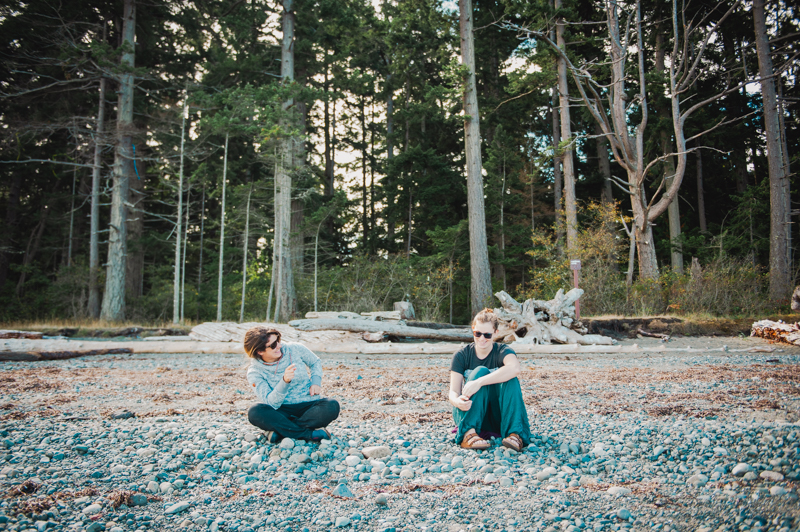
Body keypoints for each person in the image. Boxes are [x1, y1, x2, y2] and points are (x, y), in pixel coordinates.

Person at [448, 308, 531, 451]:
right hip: (469, 412)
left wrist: (478, 382)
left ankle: (515, 434)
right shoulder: (461, 355)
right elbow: (453, 392)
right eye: (478, 333)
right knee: (480, 371)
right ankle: (468, 434)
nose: (482, 339)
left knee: (509, 377)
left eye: (487, 335)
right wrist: (457, 402)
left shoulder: (502, 351)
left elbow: (515, 368)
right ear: (473, 330)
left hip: (497, 416)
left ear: (495, 333)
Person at [244, 326, 339, 442]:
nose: (279, 346)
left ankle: (282, 431)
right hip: (281, 409)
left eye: (278, 340)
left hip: (308, 405)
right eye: (273, 345)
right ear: (260, 351)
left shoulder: (294, 348)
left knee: (332, 405)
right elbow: (271, 402)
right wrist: (284, 381)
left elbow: (315, 362)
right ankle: (308, 434)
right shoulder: (255, 372)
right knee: (255, 412)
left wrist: (316, 382)